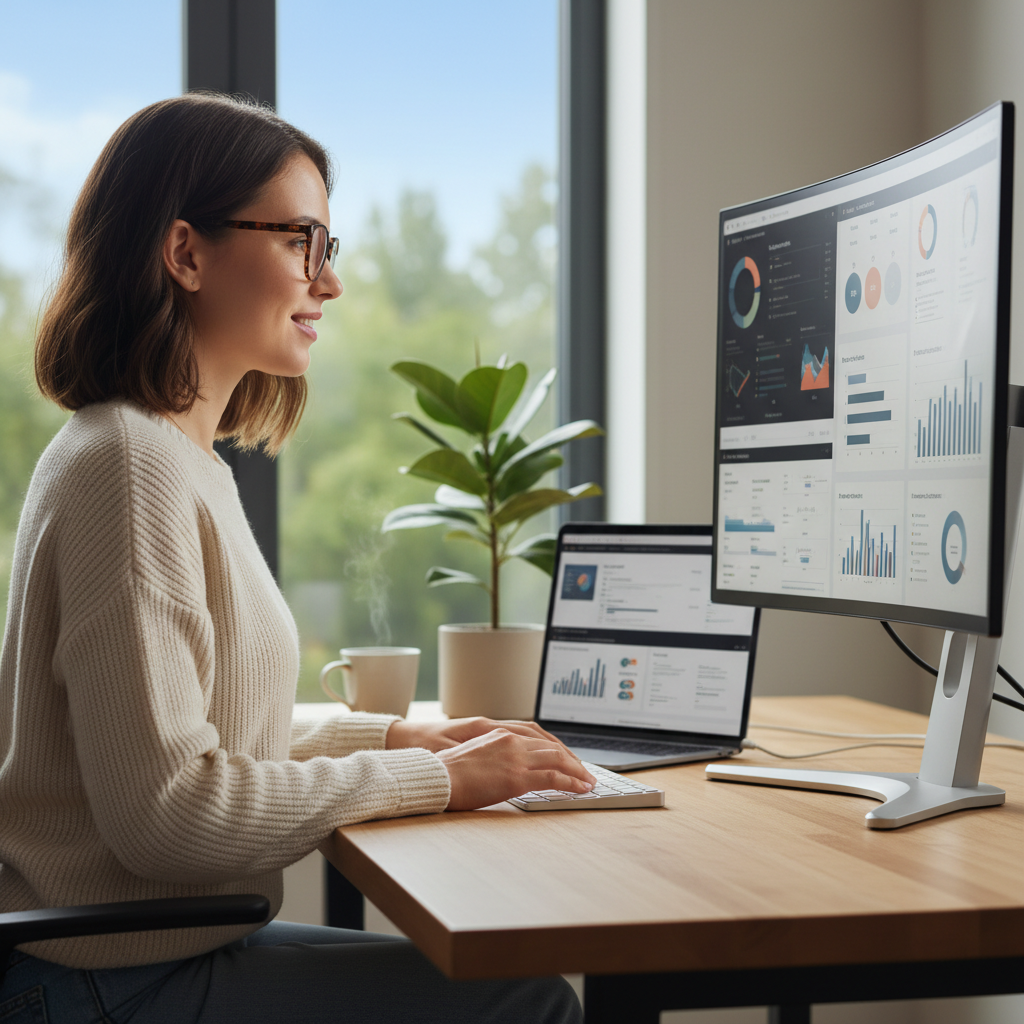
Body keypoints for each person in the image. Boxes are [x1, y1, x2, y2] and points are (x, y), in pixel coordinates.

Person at [0, 93, 594, 1023]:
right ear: (186, 252)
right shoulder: (128, 465)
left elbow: (201, 741)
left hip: (134, 960)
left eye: (330, 249)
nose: (330, 282)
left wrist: (391, 740)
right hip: (107, 984)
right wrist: (437, 780)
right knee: (528, 1004)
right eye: (300, 242)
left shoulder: (172, 456)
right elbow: (169, 814)